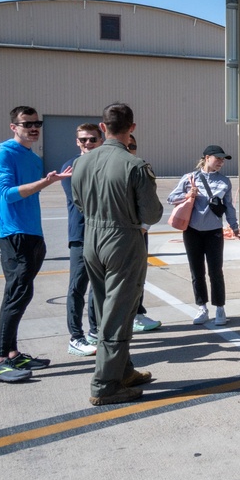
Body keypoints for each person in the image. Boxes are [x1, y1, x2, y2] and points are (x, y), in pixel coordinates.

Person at [72, 103, 163, 406]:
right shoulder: (134, 165)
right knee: (119, 312)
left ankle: (123, 370)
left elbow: (79, 202)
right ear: (132, 128)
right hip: (122, 238)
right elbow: (152, 212)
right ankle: (105, 383)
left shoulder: (82, 163)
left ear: (102, 127)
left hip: (92, 238)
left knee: (104, 306)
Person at [0, 106, 71, 382]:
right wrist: (44, 183)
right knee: (15, 295)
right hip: (14, 235)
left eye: (37, 123)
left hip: (32, 233)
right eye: (26, 124)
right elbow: (7, 195)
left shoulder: (32, 157)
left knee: (23, 294)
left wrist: (47, 181)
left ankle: (12, 354)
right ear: (14, 126)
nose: (33, 128)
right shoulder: (3, 153)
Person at [167, 145, 240, 326]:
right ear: (207, 157)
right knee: (197, 271)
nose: (221, 162)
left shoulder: (224, 181)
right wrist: (187, 195)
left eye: (223, 160)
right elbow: (171, 198)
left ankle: (220, 308)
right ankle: (202, 307)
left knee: (216, 271)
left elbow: (229, 207)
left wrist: (235, 227)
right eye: (218, 159)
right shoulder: (189, 178)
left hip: (214, 232)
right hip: (192, 231)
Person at [61, 123, 102, 357]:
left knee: (99, 287)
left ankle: (95, 331)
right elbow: (84, 200)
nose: (88, 143)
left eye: (92, 139)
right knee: (77, 286)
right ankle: (75, 337)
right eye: (83, 140)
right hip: (81, 235)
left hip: (102, 235)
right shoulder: (70, 167)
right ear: (77, 142)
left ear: (101, 140)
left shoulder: (103, 164)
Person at [127, 134, 162, 333]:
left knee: (138, 274)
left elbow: (150, 203)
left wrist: (143, 227)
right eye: (127, 145)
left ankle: (137, 314)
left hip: (138, 231)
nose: (131, 149)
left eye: (134, 145)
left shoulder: (140, 168)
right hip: (118, 232)